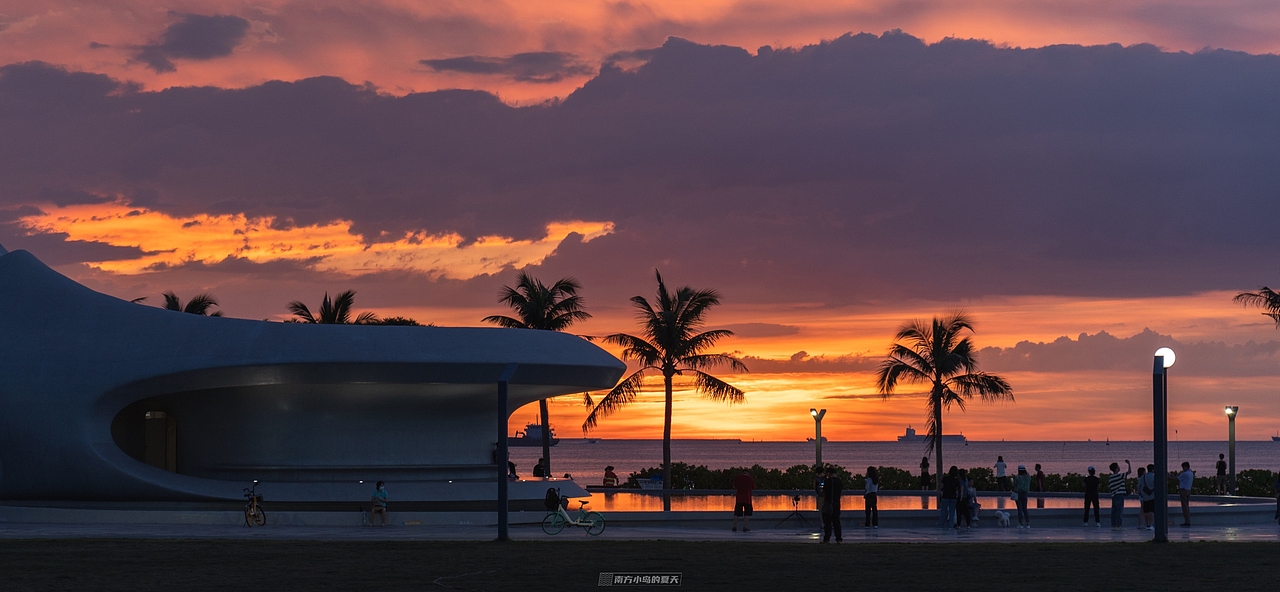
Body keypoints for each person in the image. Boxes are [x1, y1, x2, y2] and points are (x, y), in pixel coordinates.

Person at [822, 466, 844, 542]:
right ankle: (838, 539)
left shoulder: (828, 481)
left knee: (827, 522)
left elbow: (823, 492)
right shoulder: (839, 481)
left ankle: (827, 539)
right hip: (836, 503)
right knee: (836, 521)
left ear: (828, 473)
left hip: (828, 503)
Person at [1108, 460, 1132, 530]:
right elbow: (1129, 472)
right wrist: (1129, 464)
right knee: (1119, 510)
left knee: (1114, 511)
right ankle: (1118, 525)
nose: (1119, 467)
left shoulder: (1111, 477)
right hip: (1119, 495)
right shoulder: (1119, 476)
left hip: (1114, 495)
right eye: (1118, 466)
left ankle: (1113, 525)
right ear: (1116, 469)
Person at [1178, 461, 1195, 527]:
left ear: (1185, 467)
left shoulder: (1185, 474)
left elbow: (1177, 478)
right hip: (1188, 490)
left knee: (1184, 506)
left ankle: (1187, 521)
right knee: (1186, 506)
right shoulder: (1191, 473)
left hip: (1183, 490)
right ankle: (1187, 520)